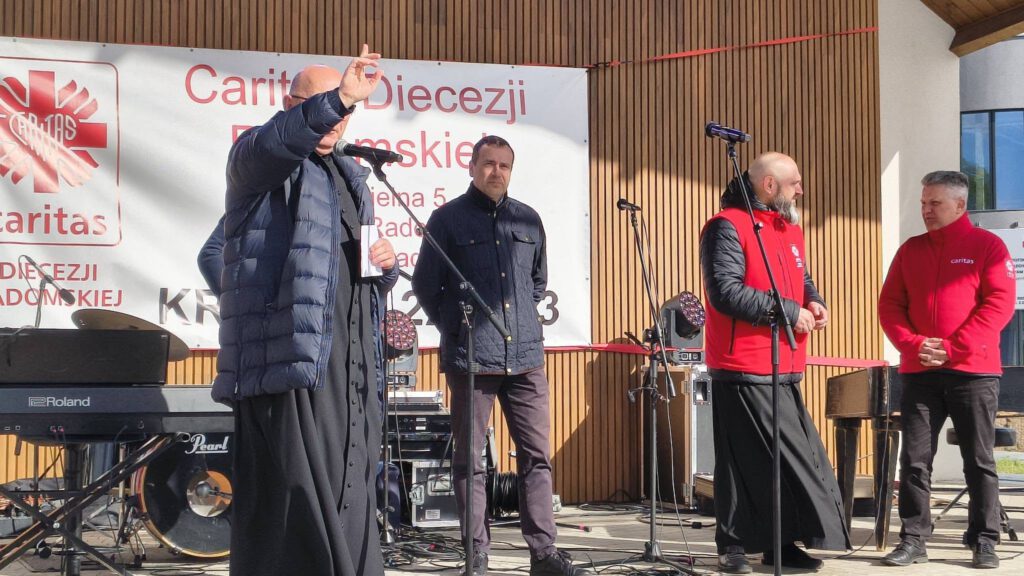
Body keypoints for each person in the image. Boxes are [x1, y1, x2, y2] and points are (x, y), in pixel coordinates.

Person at [211, 47, 399, 576]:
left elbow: (351, 269)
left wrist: (384, 268)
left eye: (346, 111)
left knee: (351, 485)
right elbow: (277, 143)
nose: (338, 118)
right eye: (327, 105)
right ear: (292, 104)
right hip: (291, 358)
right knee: (293, 506)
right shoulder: (257, 159)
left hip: (348, 359)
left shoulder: (351, 178)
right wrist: (339, 97)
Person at [411, 136, 584, 576]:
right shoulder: (447, 219)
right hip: (473, 358)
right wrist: (456, 327)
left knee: (536, 457)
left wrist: (520, 320)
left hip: (525, 357)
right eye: (488, 163)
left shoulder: (528, 219)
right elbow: (426, 285)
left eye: (504, 165)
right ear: (471, 167)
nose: (496, 172)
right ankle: (476, 554)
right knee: (470, 462)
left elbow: (537, 283)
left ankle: (543, 554)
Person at [699, 151, 851, 574]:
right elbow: (724, 291)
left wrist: (813, 302)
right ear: (769, 185)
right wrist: (786, 311)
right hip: (741, 363)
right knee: (740, 461)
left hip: (785, 362)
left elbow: (801, 278)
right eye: (794, 182)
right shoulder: (727, 225)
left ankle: (780, 543)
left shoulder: (788, 228)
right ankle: (732, 545)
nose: (801, 189)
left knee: (780, 462)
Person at [878, 171, 1015, 570]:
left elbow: (998, 304)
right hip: (920, 371)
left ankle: (984, 540)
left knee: (979, 460)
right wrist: (914, 345)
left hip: (973, 372)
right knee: (915, 459)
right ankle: (913, 539)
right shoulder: (910, 250)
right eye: (923, 202)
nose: (926, 210)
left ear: (960, 205)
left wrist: (952, 348)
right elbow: (890, 305)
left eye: (934, 203)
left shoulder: (988, 247)